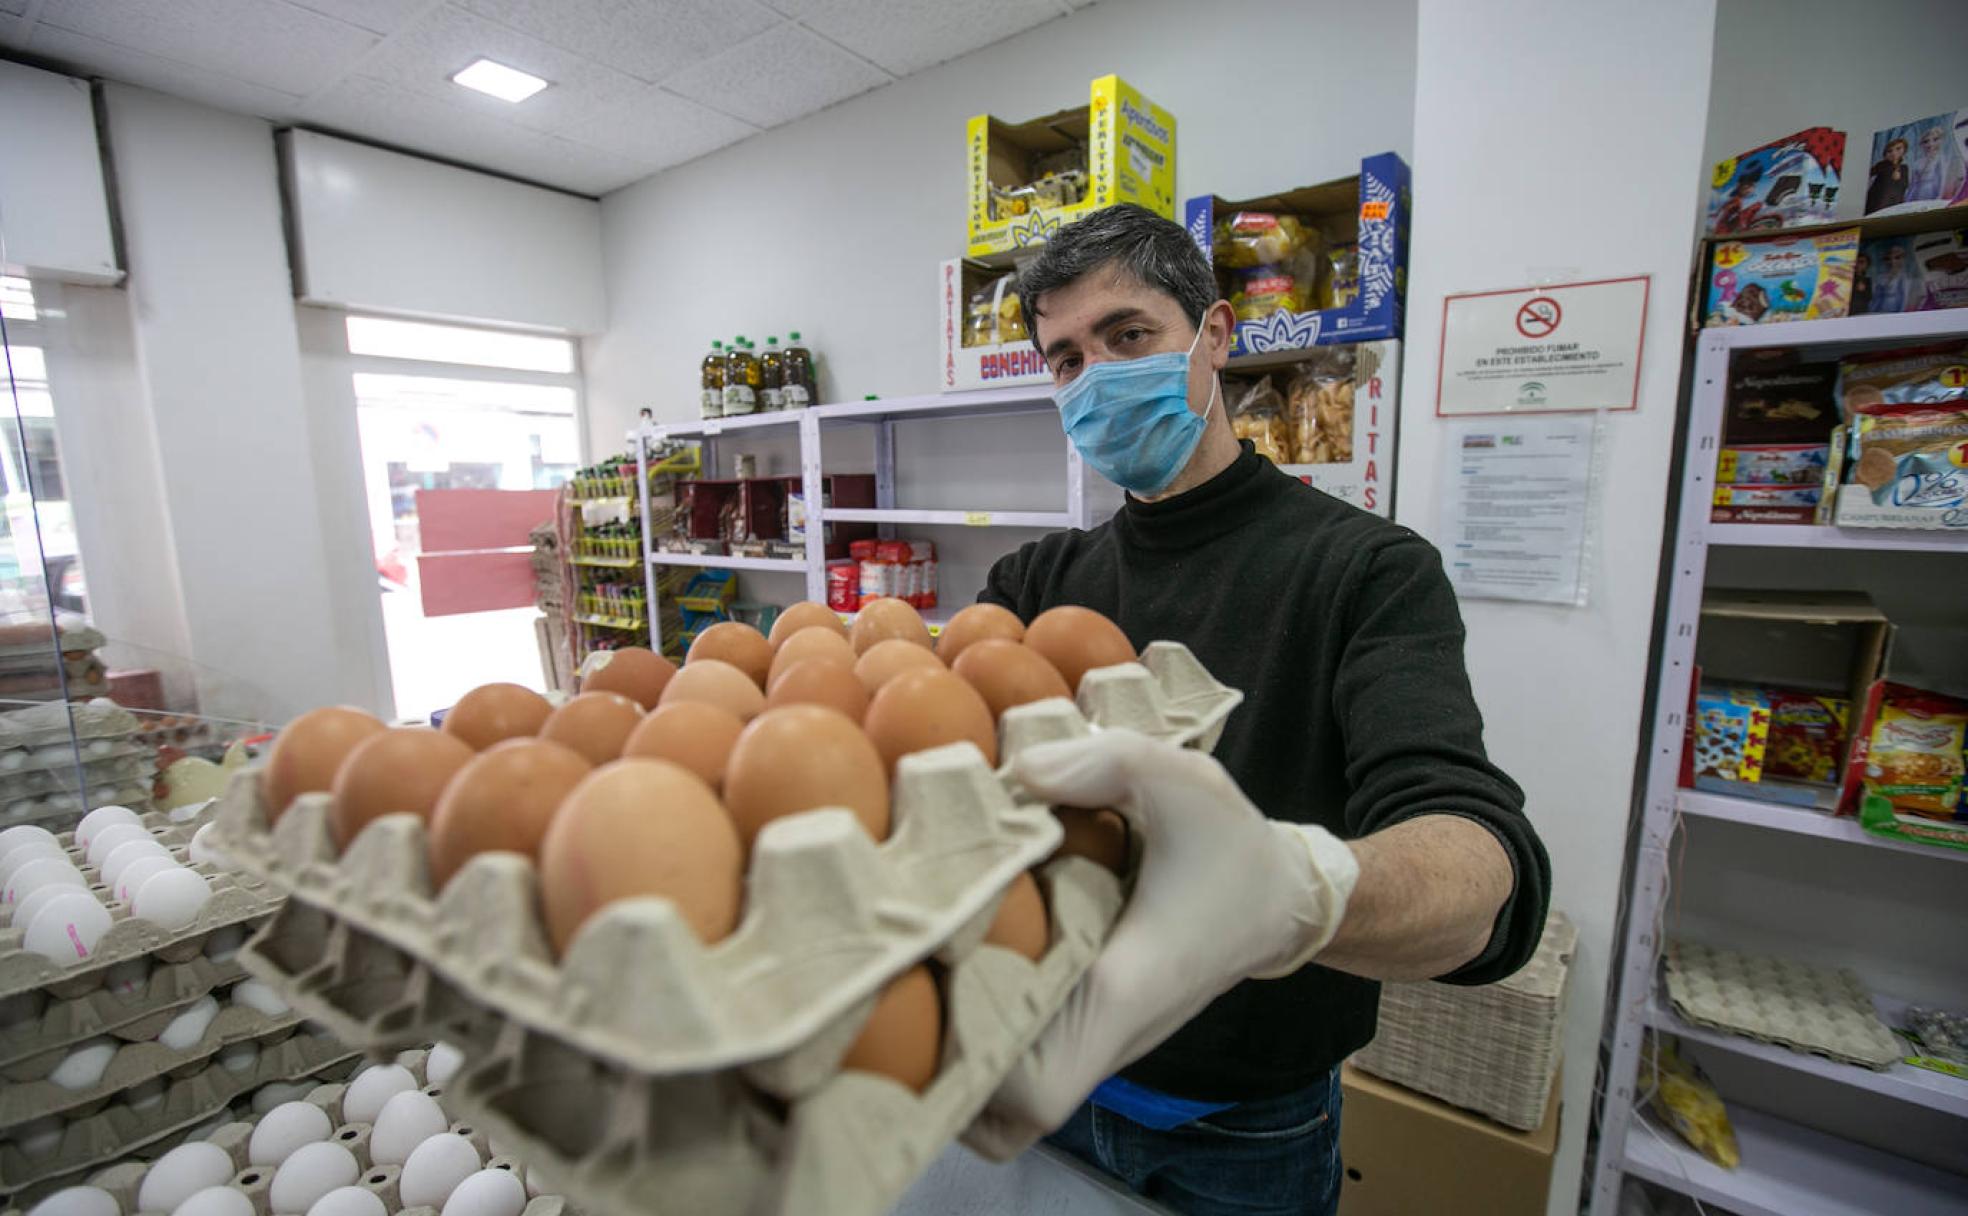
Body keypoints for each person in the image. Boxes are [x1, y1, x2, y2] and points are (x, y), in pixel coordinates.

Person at [970, 204, 1550, 1216]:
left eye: (1128, 336)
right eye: (1064, 359)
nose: (1096, 376)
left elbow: (1476, 861)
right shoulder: (1033, 580)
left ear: (1216, 335)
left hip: (1245, 1121)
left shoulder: (1366, 571)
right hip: (1043, 1069)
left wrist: (1292, 888)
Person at [1907, 123, 1949, 202]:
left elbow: (1942, 180)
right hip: (1916, 193)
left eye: (1935, 139)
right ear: (1921, 144)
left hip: (1931, 192)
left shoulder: (1940, 159)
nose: (1930, 144)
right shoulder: (1917, 162)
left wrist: (1938, 198)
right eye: (1926, 141)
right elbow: (1912, 183)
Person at [1867, 136, 1909, 212]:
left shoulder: (1904, 168)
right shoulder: (1881, 165)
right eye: (1890, 151)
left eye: (1898, 149)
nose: (1894, 153)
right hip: (1877, 202)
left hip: (1895, 202)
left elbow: (1905, 185)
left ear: (1904, 150)